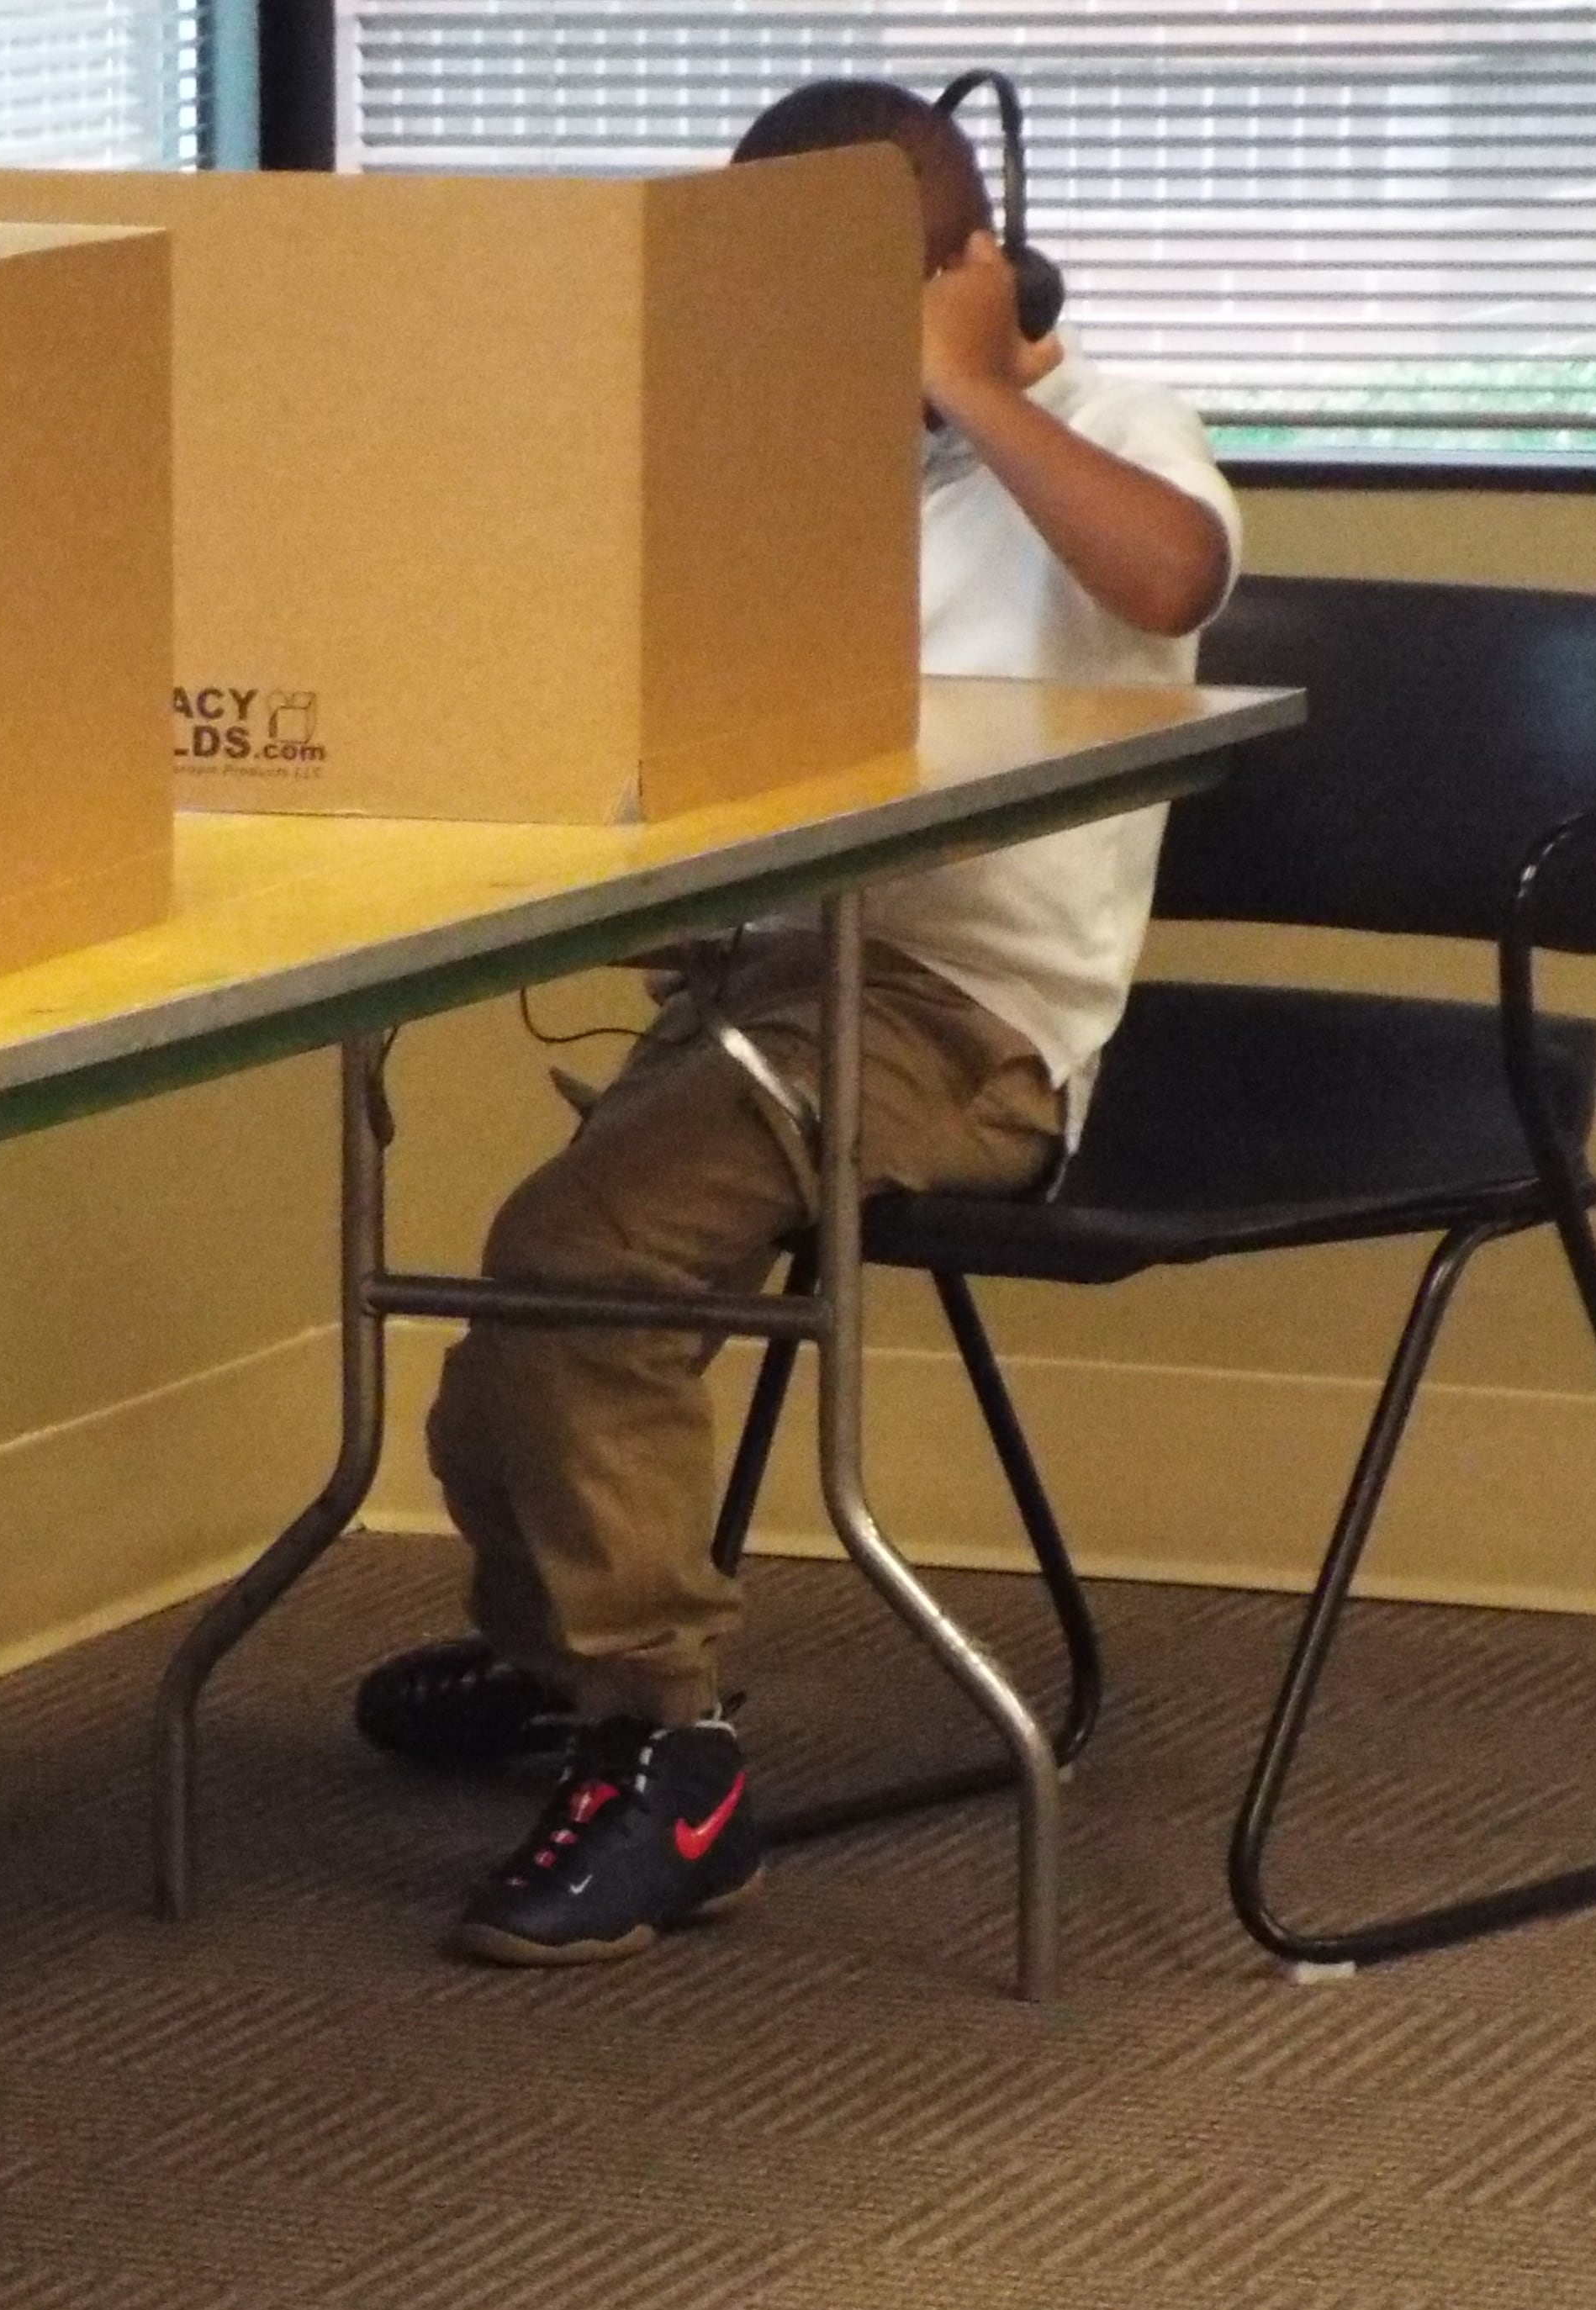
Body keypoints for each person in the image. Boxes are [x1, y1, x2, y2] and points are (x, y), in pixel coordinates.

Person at [357, 79, 1243, 1970]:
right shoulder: (808, 462)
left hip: (965, 1017)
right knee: (510, 1337)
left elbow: (1176, 580)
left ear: (967, 275)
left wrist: (982, 389)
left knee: (579, 1262)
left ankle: (671, 1752)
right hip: (775, 980)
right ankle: (558, 1665)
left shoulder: (1104, 430)